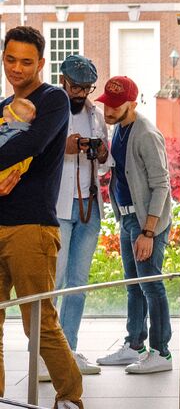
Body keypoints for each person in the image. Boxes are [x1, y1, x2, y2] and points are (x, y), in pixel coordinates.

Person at [0, 25, 90, 409]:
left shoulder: (52, 99)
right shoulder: (4, 106)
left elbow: (30, 145)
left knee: (38, 322)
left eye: (26, 61)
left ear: (41, 63)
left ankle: (72, 404)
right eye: (10, 59)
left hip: (31, 226)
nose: (17, 68)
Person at [94, 77, 174, 375]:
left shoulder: (146, 134)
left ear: (132, 102)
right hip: (129, 219)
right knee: (133, 286)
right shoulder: (119, 130)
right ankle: (135, 345)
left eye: (116, 105)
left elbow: (161, 184)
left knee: (151, 286)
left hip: (146, 223)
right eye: (107, 104)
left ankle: (161, 352)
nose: (109, 110)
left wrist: (148, 232)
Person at [51, 54, 110, 377]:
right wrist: (64, 147)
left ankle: (69, 349)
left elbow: (105, 161)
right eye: (76, 86)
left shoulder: (94, 114)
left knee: (78, 283)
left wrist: (100, 152)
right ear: (62, 80)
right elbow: (35, 151)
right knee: (55, 282)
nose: (80, 93)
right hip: (57, 207)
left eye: (86, 88)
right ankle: (47, 352)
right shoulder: (48, 108)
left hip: (87, 206)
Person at [0, 97, 37, 182]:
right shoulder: (24, 130)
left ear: (15, 119)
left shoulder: (12, 131)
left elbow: (2, 139)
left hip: (5, 173)